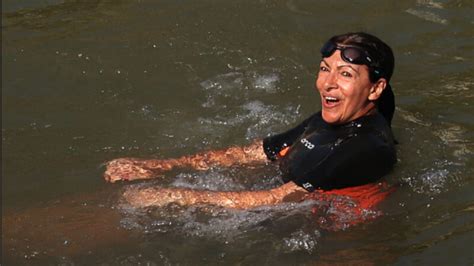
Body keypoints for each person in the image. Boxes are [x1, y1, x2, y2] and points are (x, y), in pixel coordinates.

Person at [104, 32, 397, 209]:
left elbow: (277, 201)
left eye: (345, 74)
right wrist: (161, 166)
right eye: (324, 69)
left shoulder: (363, 146)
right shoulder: (330, 120)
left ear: (376, 88)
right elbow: (257, 152)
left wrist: (174, 197)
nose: (327, 83)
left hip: (319, 232)